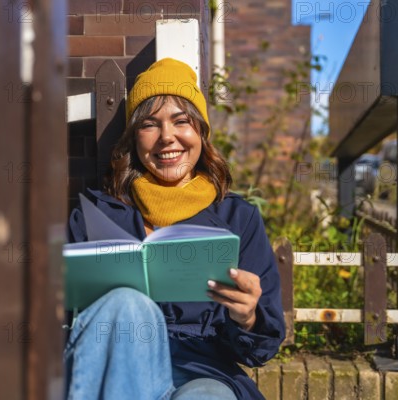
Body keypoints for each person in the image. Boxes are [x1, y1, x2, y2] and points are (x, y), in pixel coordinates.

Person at [65, 58, 285, 399]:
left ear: (200, 132)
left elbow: (261, 350)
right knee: (127, 304)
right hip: (117, 367)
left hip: (202, 370)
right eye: (150, 124)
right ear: (134, 139)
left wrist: (247, 317)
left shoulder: (238, 218)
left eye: (181, 121)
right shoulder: (96, 215)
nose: (167, 137)